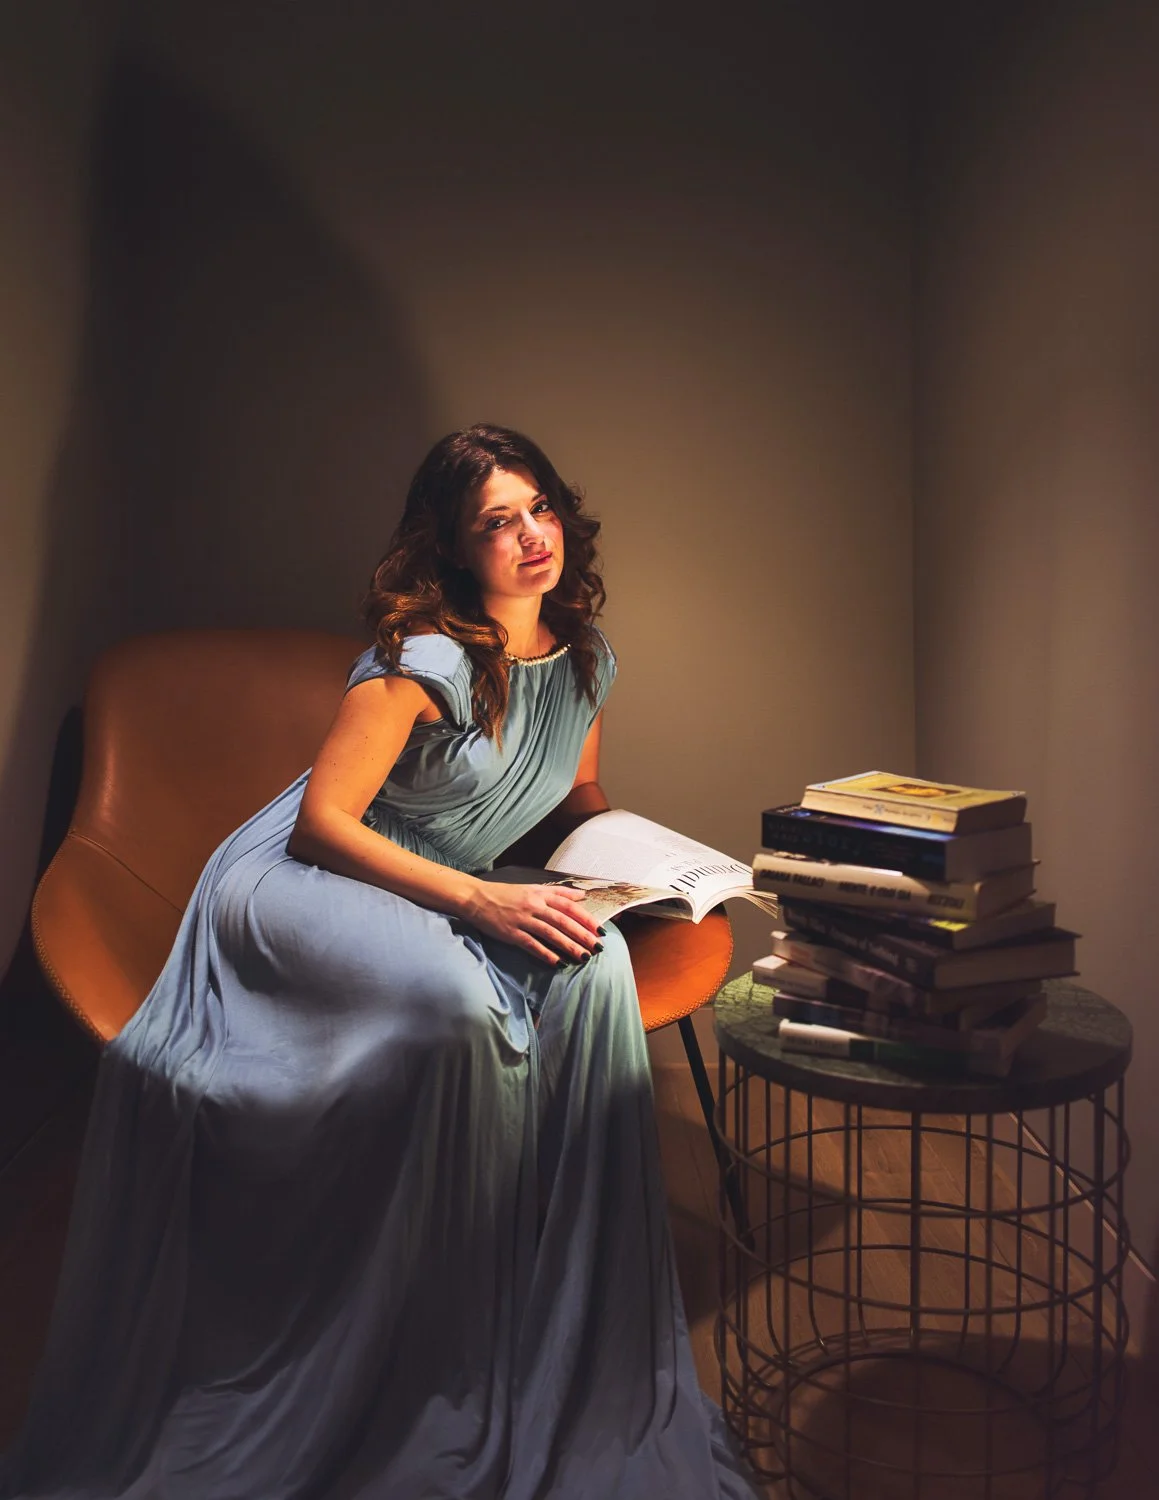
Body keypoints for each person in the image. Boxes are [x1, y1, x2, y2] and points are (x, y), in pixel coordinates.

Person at [1, 425, 758, 1499]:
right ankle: (406, 1336)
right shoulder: (424, 656)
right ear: (454, 548)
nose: (530, 535)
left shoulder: (584, 657)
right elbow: (320, 824)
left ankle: (522, 1313)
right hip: (307, 881)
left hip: (446, 878)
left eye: (538, 508)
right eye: (497, 522)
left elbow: (576, 795)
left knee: (588, 976)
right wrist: (482, 898)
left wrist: (631, 862)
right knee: (461, 1013)